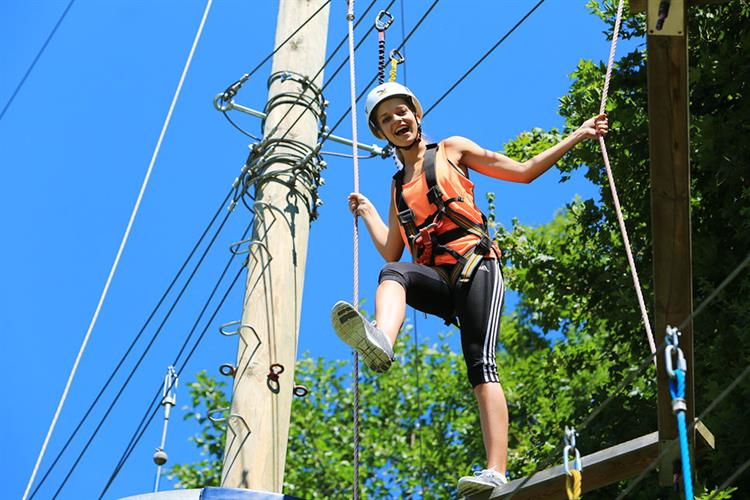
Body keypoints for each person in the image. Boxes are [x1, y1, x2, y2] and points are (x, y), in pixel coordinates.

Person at [330, 82, 608, 495]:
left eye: (401, 112)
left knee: (481, 366)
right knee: (392, 274)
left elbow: (524, 171)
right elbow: (392, 248)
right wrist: (370, 211)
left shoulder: (452, 150)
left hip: (476, 265)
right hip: (438, 277)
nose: (397, 121)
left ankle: (496, 470)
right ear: (382, 134)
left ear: (416, 115)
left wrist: (578, 134)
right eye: (386, 120)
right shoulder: (397, 186)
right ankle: (382, 341)